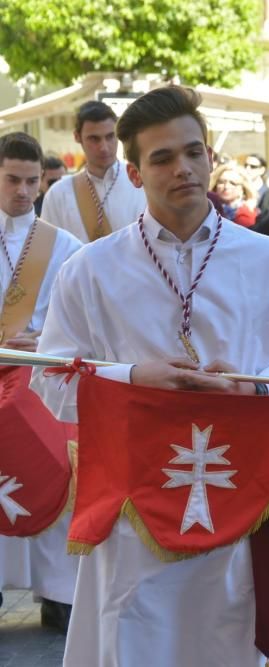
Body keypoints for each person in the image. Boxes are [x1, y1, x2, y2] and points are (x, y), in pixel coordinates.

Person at [31, 85, 269, 667]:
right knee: (135, 635)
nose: (183, 168)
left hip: (243, 496)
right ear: (134, 173)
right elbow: (51, 381)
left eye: (193, 152)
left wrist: (254, 384)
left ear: (210, 157)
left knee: (233, 632)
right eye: (162, 158)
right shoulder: (90, 270)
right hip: (132, 509)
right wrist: (130, 376)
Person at [0, 131, 83, 632]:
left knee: (54, 477)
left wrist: (45, 337)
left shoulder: (64, 246)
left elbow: (76, 318)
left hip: (38, 385)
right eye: (12, 179)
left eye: (33, 180)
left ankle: (57, 592)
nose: (24, 191)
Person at [41, 101, 146, 242]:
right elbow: (50, 249)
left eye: (110, 136)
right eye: (94, 139)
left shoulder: (141, 182)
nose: (104, 147)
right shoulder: (58, 195)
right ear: (77, 137)